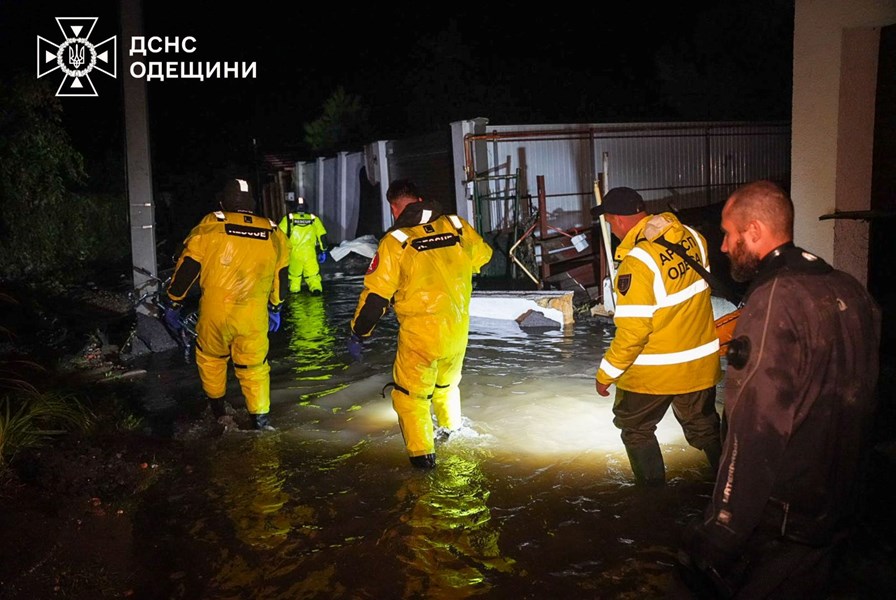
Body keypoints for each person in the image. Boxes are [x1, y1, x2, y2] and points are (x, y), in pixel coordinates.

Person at [677, 180, 881, 598]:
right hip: (841, 507)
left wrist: (721, 530)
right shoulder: (851, 289)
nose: (723, 246)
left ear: (754, 231)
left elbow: (755, 427)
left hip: (785, 519)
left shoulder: (775, 300)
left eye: (728, 234)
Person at [347, 179, 493, 469]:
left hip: (421, 339)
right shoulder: (457, 226)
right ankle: (453, 435)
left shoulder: (395, 242)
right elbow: (483, 258)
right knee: (446, 387)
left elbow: (375, 299)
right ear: (421, 200)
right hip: (457, 334)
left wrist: (358, 333)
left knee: (410, 399)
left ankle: (423, 465)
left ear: (394, 208)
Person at [593, 186, 722, 486]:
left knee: (636, 430)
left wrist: (606, 374)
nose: (612, 230)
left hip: (654, 372)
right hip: (700, 365)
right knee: (705, 429)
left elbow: (634, 333)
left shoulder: (637, 262)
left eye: (610, 223)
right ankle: (732, 489)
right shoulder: (693, 238)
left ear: (619, 220)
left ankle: (653, 500)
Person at [165, 177, 290, 431]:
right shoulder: (273, 231)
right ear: (252, 204)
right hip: (254, 317)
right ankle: (261, 423)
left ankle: (219, 414)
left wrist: (174, 302)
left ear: (223, 202)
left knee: (211, 360)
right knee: (255, 369)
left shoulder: (211, 225)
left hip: (216, 314)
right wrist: (276, 307)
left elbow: (188, 268)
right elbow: (282, 276)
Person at [277, 196, 328, 294]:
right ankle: (316, 290)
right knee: (313, 275)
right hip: (310, 253)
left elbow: (279, 236)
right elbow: (322, 236)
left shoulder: (288, 219)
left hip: (294, 254)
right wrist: (323, 250)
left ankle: (295, 294)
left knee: (294, 277)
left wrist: (280, 253)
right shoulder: (314, 219)